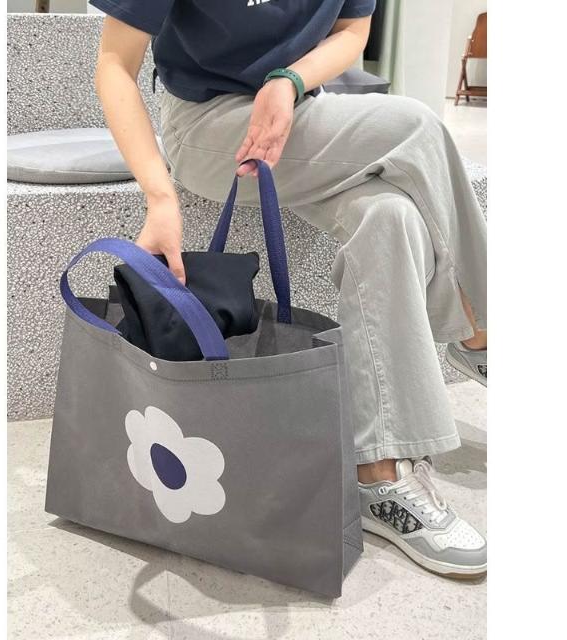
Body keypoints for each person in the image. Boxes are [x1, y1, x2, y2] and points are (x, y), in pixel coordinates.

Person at [90, 0, 487, 578]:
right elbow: (114, 63)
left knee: (390, 216)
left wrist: (290, 80)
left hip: (298, 110)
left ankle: (379, 475)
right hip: (206, 126)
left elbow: (352, 31)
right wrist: (159, 195)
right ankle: (480, 330)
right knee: (416, 126)